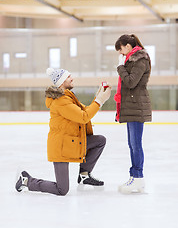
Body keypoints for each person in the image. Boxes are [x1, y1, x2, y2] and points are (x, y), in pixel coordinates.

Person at [15, 68, 111, 196]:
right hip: (61, 147)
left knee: (99, 141)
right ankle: (27, 181)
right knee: (62, 189)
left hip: (71, 142)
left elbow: (84, 111)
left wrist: (98, 97)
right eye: (68, 77)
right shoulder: (61, 101)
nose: (72, 78)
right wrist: (100, 101)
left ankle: (84, 175)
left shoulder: (68, 97)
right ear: (61, 82)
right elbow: (83, 117)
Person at [114, 34, 152, 194]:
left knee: (136, 144)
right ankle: (135, 177)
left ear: (128, 46)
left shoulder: (140, 60)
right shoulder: (132, 60)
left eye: (121, 50)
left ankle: (138, 177)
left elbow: (131, 82)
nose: (121, 54)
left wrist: (120, 68)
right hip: (132, 106)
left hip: (137, 107)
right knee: (132, 144)